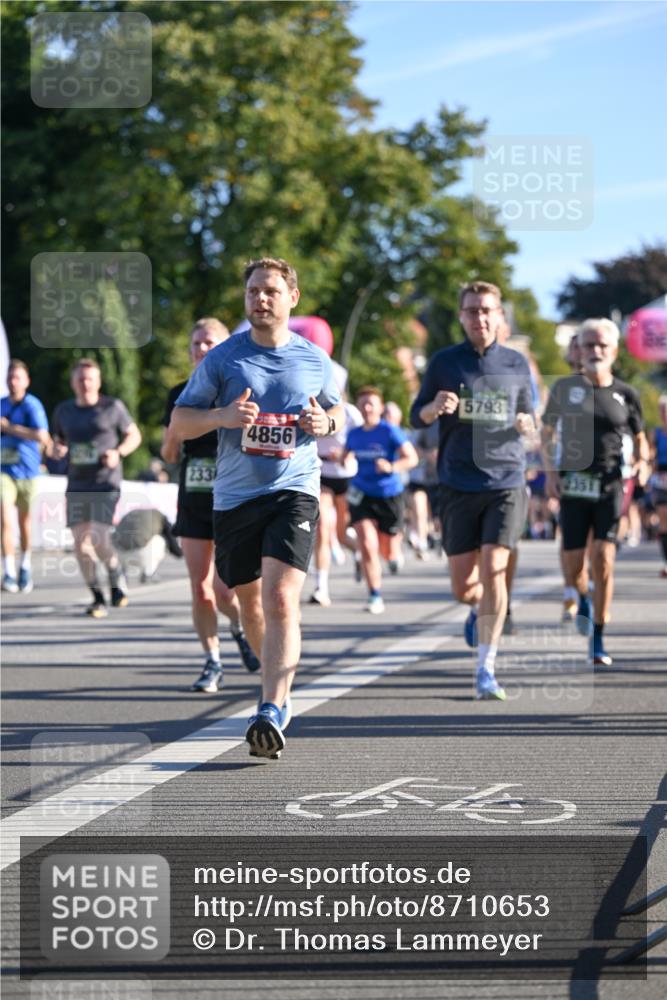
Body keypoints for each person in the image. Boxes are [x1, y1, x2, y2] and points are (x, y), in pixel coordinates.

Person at [171, 257, 344, 759]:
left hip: (295, 490)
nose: (260, 299)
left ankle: (270, 707)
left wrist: (324, 424)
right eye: (252, 292)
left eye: (270, 290)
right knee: (249, 602)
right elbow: (180, 422)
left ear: (293, 297)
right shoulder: (223, 359)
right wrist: (223, 415)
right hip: (235, 497)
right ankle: (273, 684)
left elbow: (335, 410)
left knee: (282, 598)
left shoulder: (315, 360)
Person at [410, 280, 535, 700]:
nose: (480, 318)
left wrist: (526, 426)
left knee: (496, 566)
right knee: (464, 587)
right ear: (461, 317)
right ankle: (477, 609)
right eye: (471, 311)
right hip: (458, 481)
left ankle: (486, 667)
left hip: (506, 480)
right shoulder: (445, 363)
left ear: (500, 316)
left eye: (487, 310)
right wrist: (434, 407)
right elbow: (417, 416)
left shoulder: (517, 365)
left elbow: (529, 417)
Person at [541, 319, 649, 666]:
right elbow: (546, 434)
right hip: (573, 484)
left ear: (614, 350)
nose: (595, 351)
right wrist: (551, 473)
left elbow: (641, 438)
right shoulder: (564, 389)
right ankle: (582, 597)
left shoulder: (626, 393)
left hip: (610, 483)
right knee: (574, 566)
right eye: (589, 345)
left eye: (602, 345)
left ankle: (598, 639)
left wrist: (643, 463)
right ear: (579, 351)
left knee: (604, 558)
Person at [162, 318, 260, 691]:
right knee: (200, 589)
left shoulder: (238, 389)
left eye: (209, 343)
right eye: (197, 343)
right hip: (194, 497)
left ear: (223, 348)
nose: (202, 349)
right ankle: (212, 661)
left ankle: (238, 628)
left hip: (233, 498)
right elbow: (170, 453)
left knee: (225, 590)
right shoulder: (177, 394)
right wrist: (172, 439)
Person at [52, 358, 142, 617]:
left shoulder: (112, 407)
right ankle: (97, 596)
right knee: (81, 545)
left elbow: (134, 435)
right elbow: (57, 442)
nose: (85, 384)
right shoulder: (63, 411)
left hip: (106, 481)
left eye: (89, 378)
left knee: (101, 539)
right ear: (73, 383)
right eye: (80, 379)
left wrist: (118, 452)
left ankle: (115, 574)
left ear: (98, 381)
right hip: (77, 483)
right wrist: (58, 449)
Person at [343, 387, 417, 613]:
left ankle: (394, 551)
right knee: (367, 543)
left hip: (389, 495)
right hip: (361, 494)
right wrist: (342, 460)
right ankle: (374, 594)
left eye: (371, 404)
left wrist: (392, 466)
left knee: (387, 550)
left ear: (380, 408)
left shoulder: (390, 431)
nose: (366, 408)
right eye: (363, 403)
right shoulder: (354, 434)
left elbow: (411, 458)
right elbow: (346, 456)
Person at [309, 367, 363, 607]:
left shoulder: (350, 413)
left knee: (341, 534)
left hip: (345, 475)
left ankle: (359, 552)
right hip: (321, 473)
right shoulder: (310, 407)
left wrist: (346, 453)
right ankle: (321, 586)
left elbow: (365, 439)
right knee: (322, 527)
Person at [1, 360, 50, 593]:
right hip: (4, 471)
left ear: (26, 381)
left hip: (28, 472)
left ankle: (25, 565)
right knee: (5, 519)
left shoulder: (32, 405)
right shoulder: (0, 404)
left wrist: (9, 428)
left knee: (24, 523)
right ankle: (8, 571)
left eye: (17, 377)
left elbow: (42, 435)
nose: (13, 381)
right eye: (10, 377)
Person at [113, 507, 183, 582]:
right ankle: (149, 572)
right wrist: (180, 553)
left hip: (119, 553)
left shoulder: (130, 513)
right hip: (140, 554)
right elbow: (171, 539)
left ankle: (123, 572)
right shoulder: (160, 516)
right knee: (160, 539)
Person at [649, 396, 667, 577]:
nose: (664, 414)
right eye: (662, 410)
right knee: (664, 520)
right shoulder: (656, 433)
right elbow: (651, 456)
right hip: (661, 479)